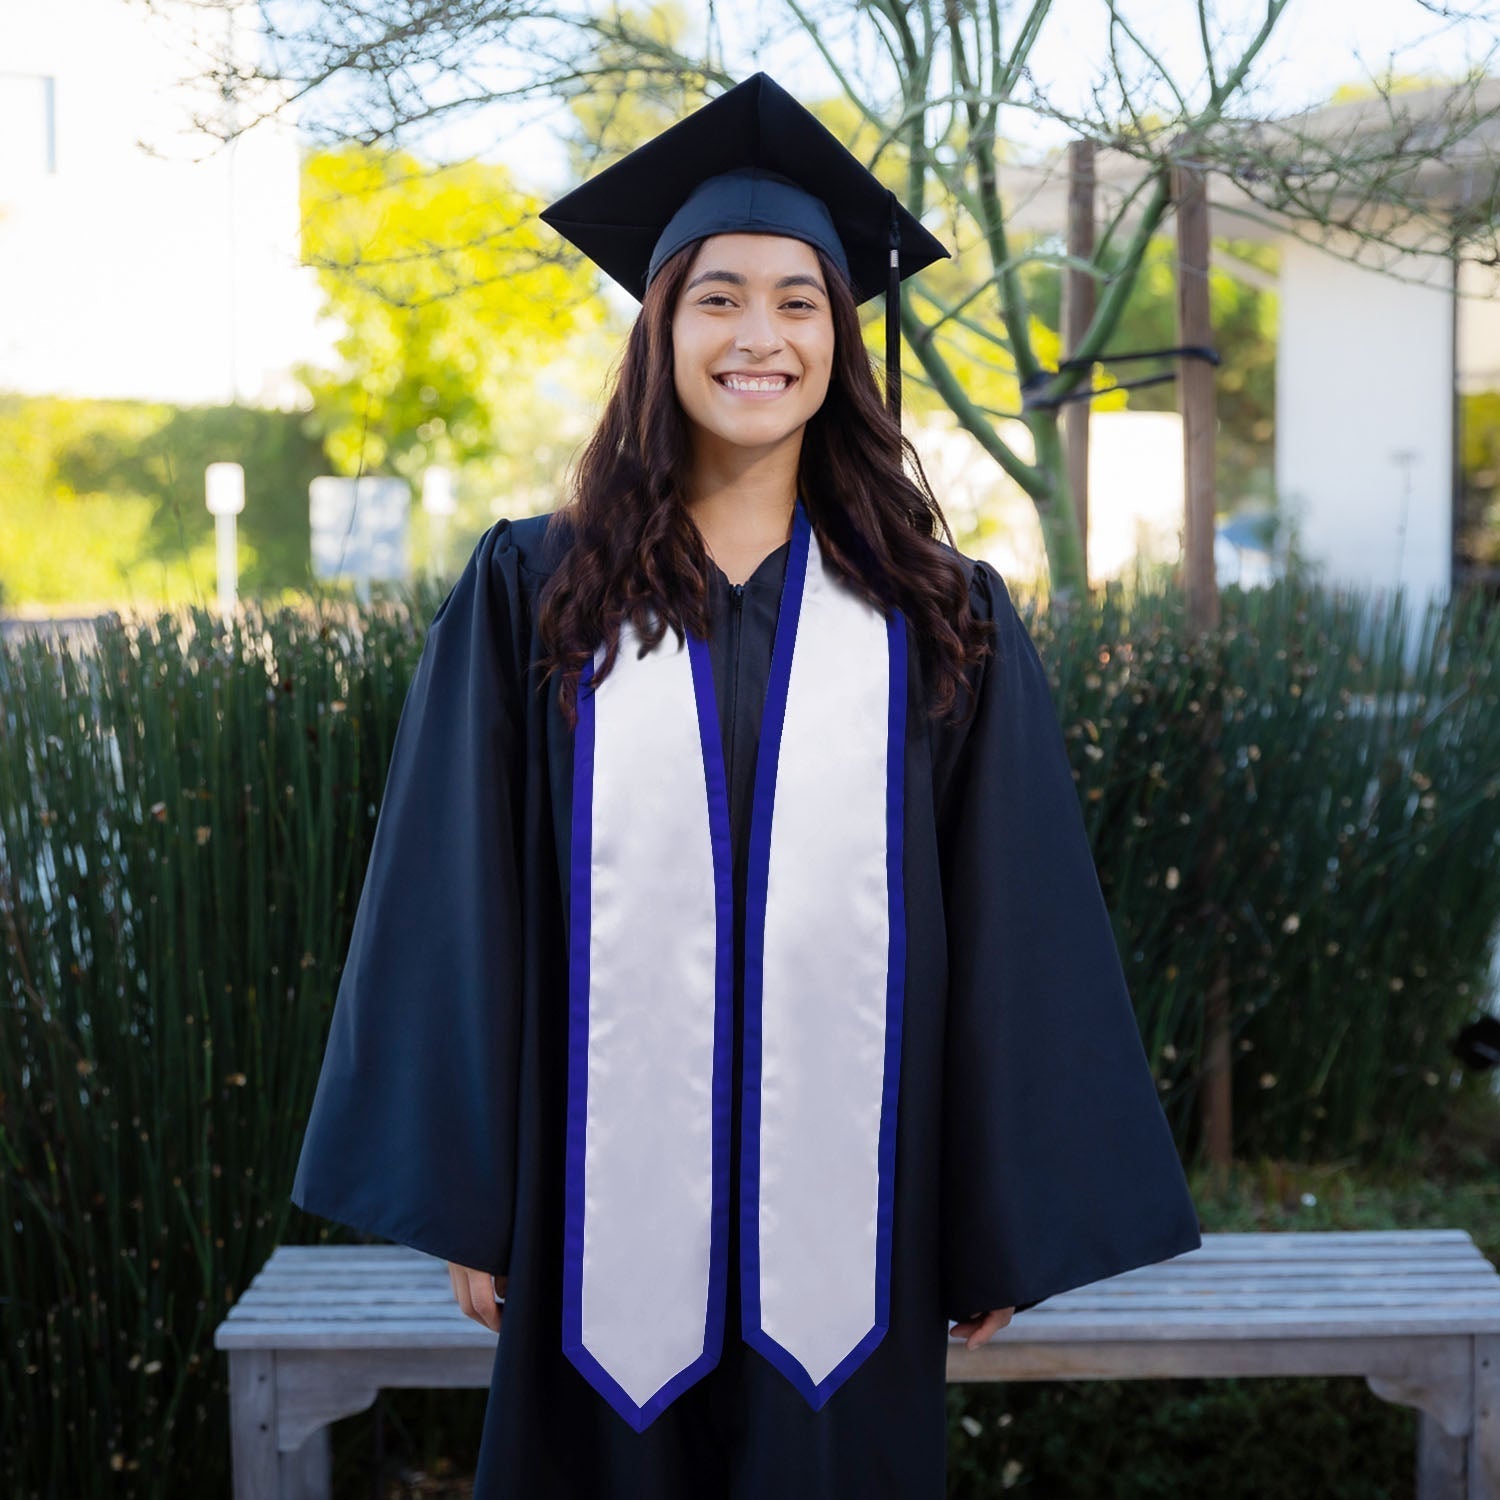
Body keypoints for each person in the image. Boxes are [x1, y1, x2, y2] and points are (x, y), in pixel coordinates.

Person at [290, 72, 1202, 1499]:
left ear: (841, 336)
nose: (759, 336)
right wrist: (473, 1195)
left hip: (857, 1230)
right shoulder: (538, 591)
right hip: (592, 1219)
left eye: (799, 301)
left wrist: (993, 1215)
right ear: (659, 332)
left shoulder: (935, 614)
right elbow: (451, 893)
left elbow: (1013, 917)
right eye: (718, 298)